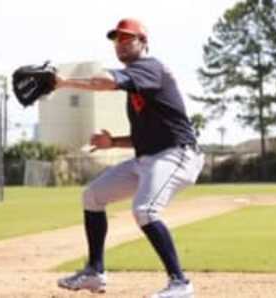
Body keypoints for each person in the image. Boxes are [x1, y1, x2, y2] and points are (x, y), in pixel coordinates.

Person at [55, 18, 204, 298]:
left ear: (143, 42)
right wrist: (113, 142)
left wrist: (63, 82)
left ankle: (180, 284)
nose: (120, 44)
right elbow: (147, 136)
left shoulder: (150, 68)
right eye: (116, 39)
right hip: (148, 158)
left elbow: (105, 81)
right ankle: (94, 272)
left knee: (146, 210)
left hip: (178, 154)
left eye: (127, 38)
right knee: (92, 196)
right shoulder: (137, 84)